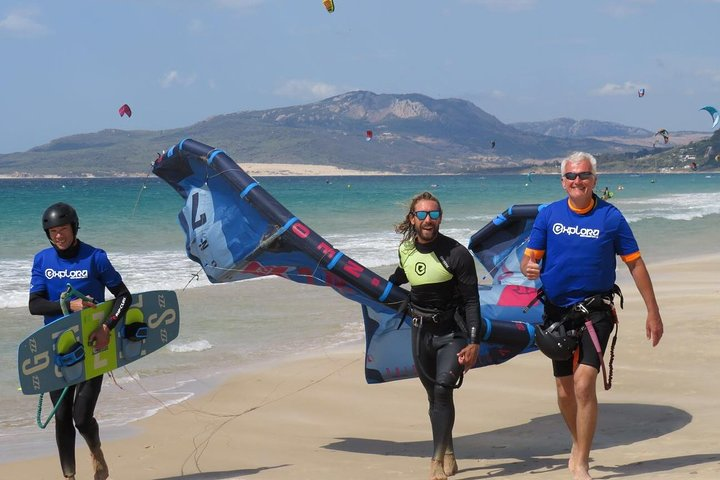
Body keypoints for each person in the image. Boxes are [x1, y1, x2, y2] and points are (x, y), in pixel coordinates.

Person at [520, 152, 663, 480]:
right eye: (571, 176)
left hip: (596, 311)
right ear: (562, 181)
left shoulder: (611, 218)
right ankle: (578, 443)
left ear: (594, 179)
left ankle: (581, 463)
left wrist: (653, 313)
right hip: (556, 313)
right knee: (564, 389)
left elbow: (635, 264)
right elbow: (530, 260)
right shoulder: (549, 216)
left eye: (583, 175)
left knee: (584, 384)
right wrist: (528, 267)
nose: (577, 181)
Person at [28, 202, 131, 480]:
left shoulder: (95, 257)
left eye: (63, 229)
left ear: (74, 228)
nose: (58, 236)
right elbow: (35, 305)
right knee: (61, 417)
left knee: (81, 418)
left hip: (92, 346)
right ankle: (69, 476)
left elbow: (124, 296)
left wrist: (108, 327)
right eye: (52, 231)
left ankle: (95, 451)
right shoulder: (42, 260)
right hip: (57, 350)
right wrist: (69, 306)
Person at [388, 192, 481, 480]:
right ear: (412, 219)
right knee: (433, 396)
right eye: (423, 215)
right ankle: (449, 449)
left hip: (451, 332)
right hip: (420, 333)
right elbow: (400, 277)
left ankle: (436, 462)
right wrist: (363, 287)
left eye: (435, 214)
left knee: (443, 388)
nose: (429, 220)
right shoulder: (405, 250)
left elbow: (471, 302)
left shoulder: (457, 254)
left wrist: (474, 342)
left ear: (441, 218)